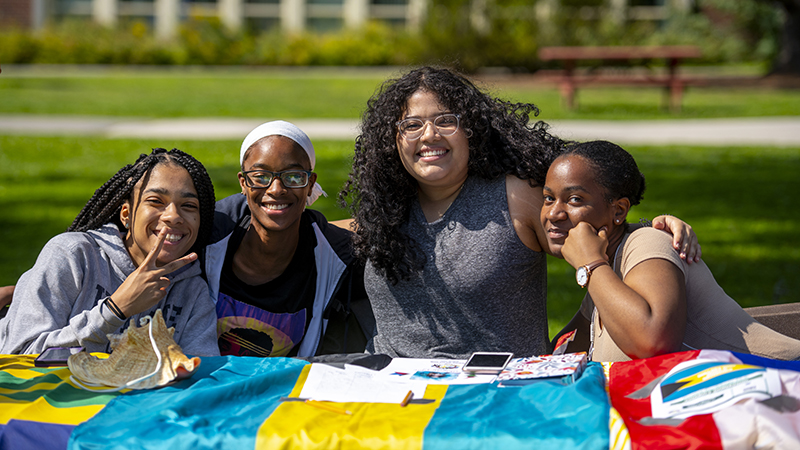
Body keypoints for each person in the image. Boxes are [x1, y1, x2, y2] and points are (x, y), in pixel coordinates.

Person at [339, 66, 699, 359]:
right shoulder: (385, 212)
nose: (429, 135)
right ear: (394, 140)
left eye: (445, 121)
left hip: (498, 398)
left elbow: (596, 230)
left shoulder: (514, 196)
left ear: (471, 130)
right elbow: (311, 232)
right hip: (386, 392)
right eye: (412, 125)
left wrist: (649, 230)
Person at [542, 140, 800, 362]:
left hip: (783, 386)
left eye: (575, 199)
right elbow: (560, 354)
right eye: (548, 198)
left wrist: (590, 264)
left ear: (619, 210)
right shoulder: (606, 275)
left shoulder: (646, 245)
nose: (554, 213)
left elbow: (652, 344)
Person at [0, 148, 220, 356]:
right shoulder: (73, 255)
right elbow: (21, 355)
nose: (173, 215)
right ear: (126, 214)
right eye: (156, 201)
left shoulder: (192, 290)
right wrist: (116, 309)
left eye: (189, 206)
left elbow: (200, 375)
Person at [205, 121, 373, 358]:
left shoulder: (334, 254)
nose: (276, 189)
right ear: (243, 183)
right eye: (261, 176)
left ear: (310, 183)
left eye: (293, 177)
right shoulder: (207, 237)